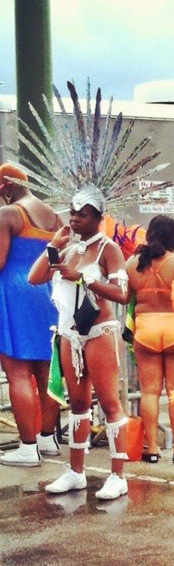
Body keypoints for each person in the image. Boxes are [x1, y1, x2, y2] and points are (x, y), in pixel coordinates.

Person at [28, 187, 131, 499]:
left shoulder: (109, 249)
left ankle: (118, 475)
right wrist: (53, 245)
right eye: (72, 213)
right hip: (70, 334)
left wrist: (84, 278)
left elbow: (122, 294)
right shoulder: (70, 250)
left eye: (82, 214)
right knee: (77, 403)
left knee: (109, 403)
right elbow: (35, 278)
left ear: (99, 218)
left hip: (99, 331)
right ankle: (75, 472)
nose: (74, 219)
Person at [0, 163, 62, 466]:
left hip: (14, 293)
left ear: (6, 187)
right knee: (46, 371)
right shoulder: (54, 217)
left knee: (18, 371)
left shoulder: (8, 214)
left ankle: (27, 447)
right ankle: (47, 439)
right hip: (47, 292)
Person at [126, 215, 174, 462]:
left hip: (146, 329)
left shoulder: (132, 263)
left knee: (149, 392)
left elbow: (126, 297)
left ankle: (152, 450)